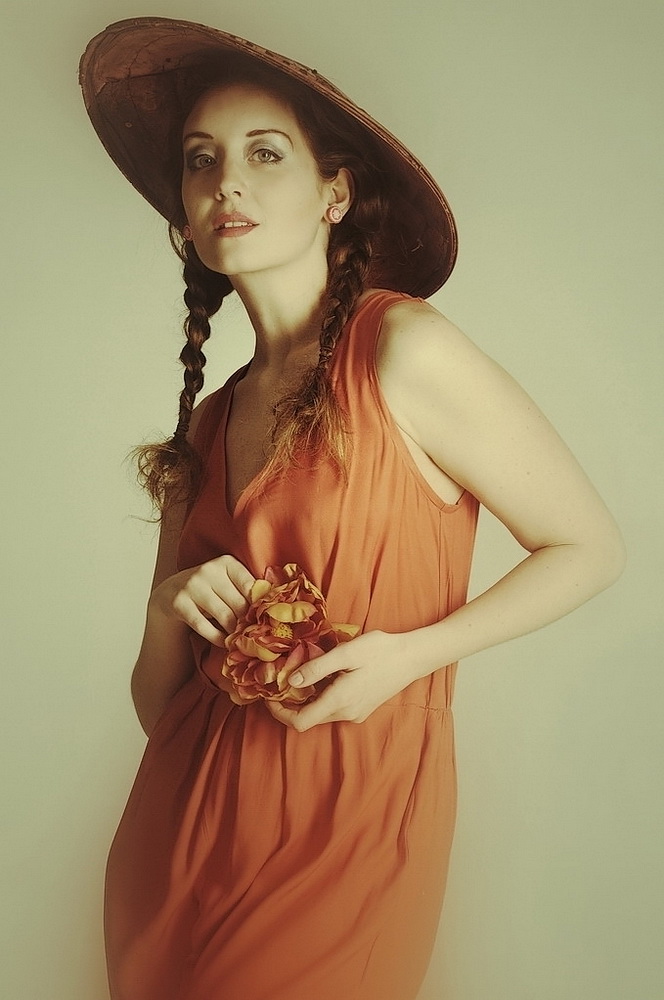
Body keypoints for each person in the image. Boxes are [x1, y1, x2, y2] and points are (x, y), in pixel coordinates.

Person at [80, 16, 625, 1000]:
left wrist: (412, 656)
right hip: (178, 842)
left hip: (350, 827)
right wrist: (168, 611)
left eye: (264, 153)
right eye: (202, 160)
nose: (227, 183)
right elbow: (164, 712)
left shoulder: (403, 350)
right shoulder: (207, 423)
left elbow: (588, 546)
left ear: (335, 192)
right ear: (185, 211)